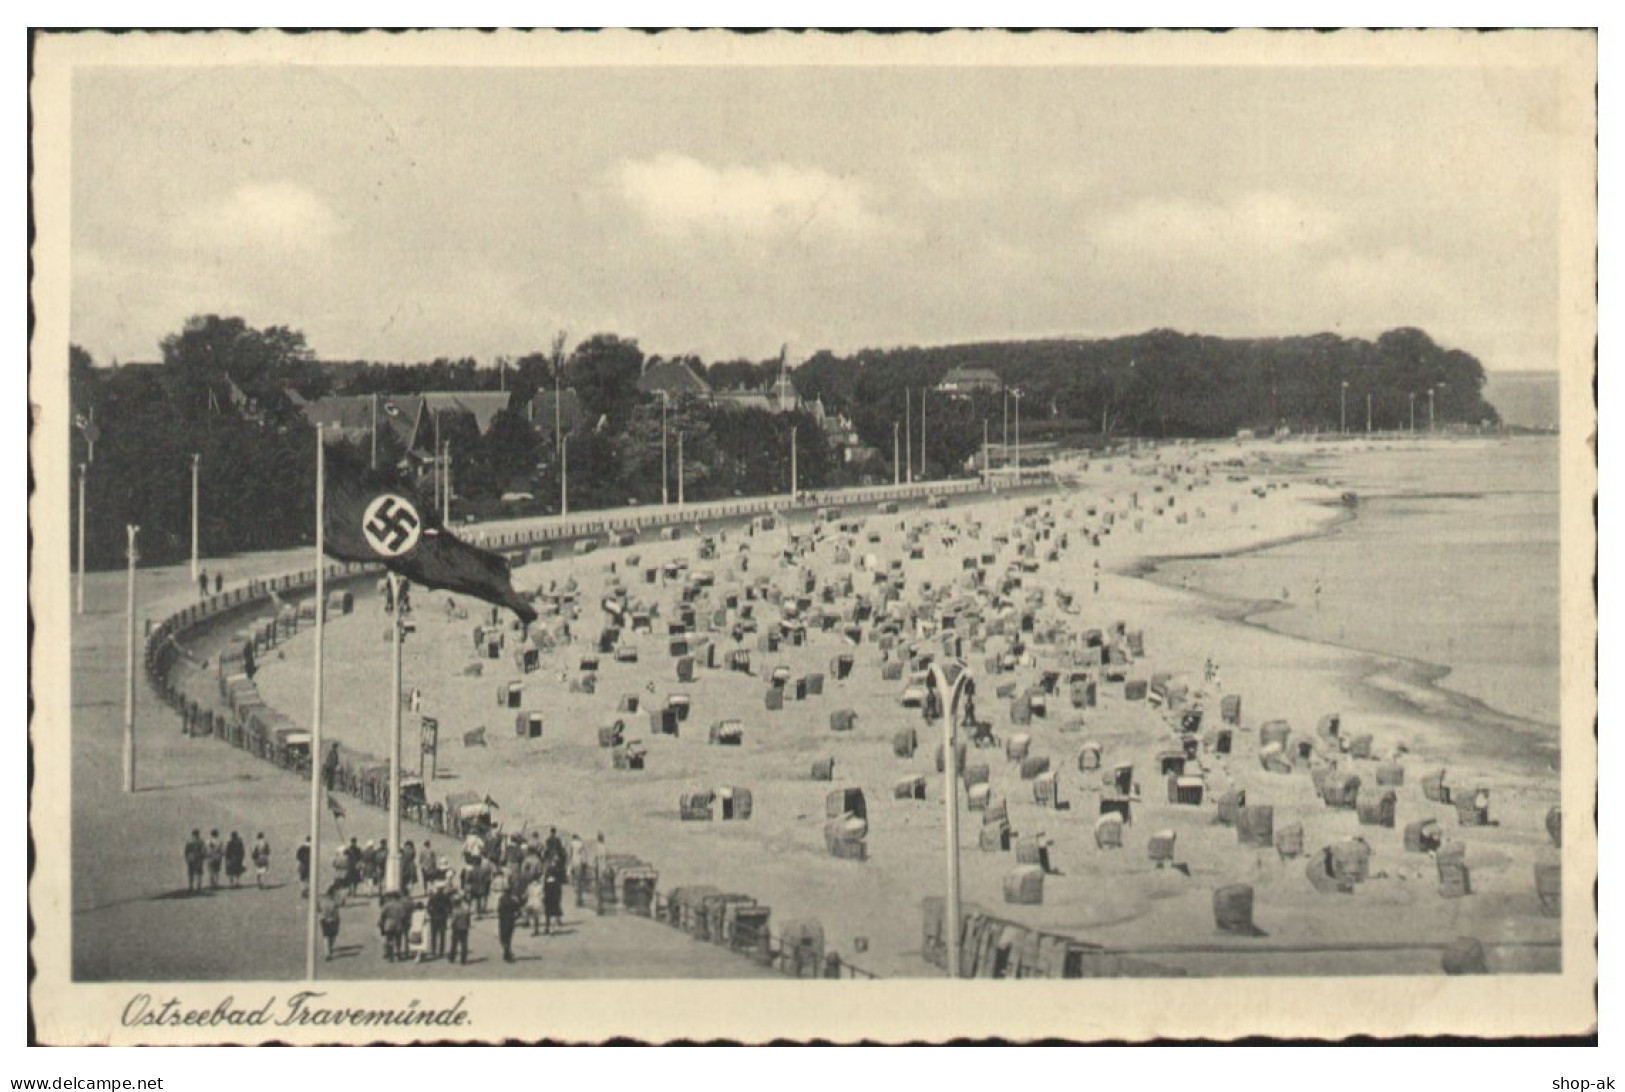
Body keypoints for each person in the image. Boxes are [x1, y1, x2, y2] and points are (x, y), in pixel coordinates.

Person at [496, 885, 522, 963]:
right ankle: (507, 952)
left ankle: (506, 951)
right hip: (511, 920)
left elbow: (499, 909)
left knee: (503, 937)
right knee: (509, 937)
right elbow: (519, 912)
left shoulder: (501, 899)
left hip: (503, 920)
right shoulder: (514, 900)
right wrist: (515, 917)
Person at [427, 882, 453, 958]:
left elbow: (428, 907)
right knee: (442, 935)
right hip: (442, 918)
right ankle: (441, 951)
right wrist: (447, 914)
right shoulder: (446, 897)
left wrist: (431, 914)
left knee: (434, 935)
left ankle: (433, 951)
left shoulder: (433, 897)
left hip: (434, 918)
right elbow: (450, 907)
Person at [318, 883, 343, 960]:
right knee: (332, 936)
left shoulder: (322, 900)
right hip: (333, 919)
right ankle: (329, 950)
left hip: (324, 919)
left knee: (326, 936)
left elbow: (318, 909)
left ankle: (327, 952)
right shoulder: (335, 900)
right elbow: (341, 903)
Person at [448, 893, 473, 965]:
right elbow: (468, 919)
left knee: (454, 944)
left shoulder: (455, 911)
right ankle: (463, 960)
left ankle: (452, 958)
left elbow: (453, 920)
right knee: (464, 944)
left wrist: (451, 925)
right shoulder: (465, 909)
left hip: (457, 928)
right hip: (464, 928)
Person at [542, 861, 565, 936]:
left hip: (548, 900)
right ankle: (552, 929)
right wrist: (558, 899)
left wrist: (544, 898)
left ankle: (547, 927)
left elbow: (544, 890)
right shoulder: (556, 882)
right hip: (554, 900)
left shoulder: (546, 881)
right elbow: (559, 892)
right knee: (554, 915)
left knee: (547, 915)